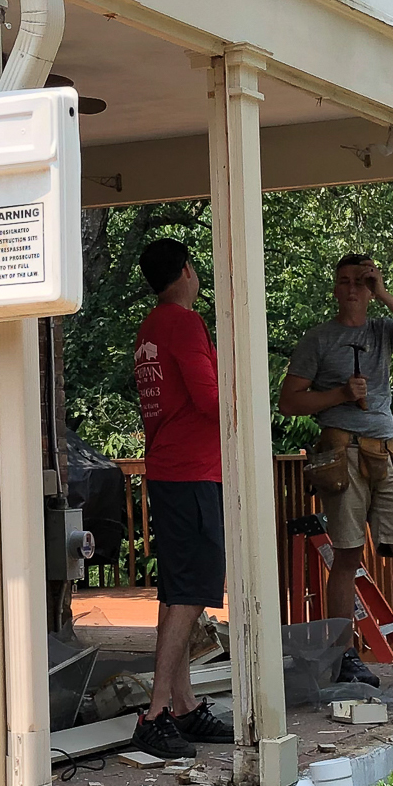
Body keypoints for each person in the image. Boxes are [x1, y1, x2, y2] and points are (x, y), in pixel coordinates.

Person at [277, 253, 393, 689]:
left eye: (363, 281)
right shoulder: (318, 339)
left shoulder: (384, 330)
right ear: (335, 289)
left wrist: (385, 292)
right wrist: (338, 394)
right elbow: (289, 401)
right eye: (346, 281)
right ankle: (345, 654)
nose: (354, 288)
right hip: (343, 453)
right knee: (349, 555)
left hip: (387, 454)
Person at [129, 236, 237, 758]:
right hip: (194, 471)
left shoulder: (150, 327)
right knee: (193, 590)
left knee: (176, 593)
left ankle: (184, 706)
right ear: (188, 272)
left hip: (168, 468)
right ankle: (153, 714)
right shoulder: (184, 322)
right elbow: (211, 401)